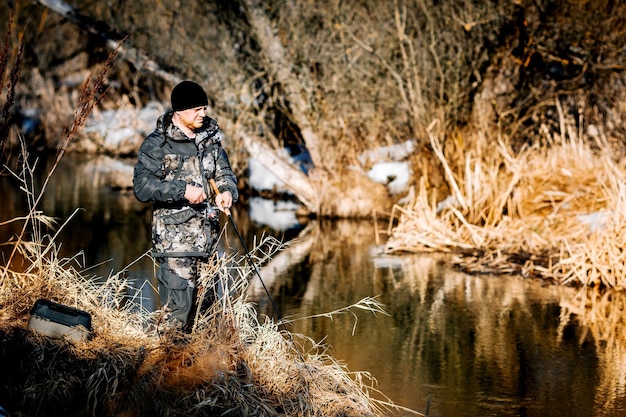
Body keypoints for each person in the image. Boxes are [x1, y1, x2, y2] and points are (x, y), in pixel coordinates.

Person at [133, 80, 238, 331]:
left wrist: (226, 192)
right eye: (196, 109)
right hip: (175, 247)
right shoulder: (157, 144)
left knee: (207, 319)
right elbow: (142, 187)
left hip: (208, 246)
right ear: (178, 111)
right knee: (176, 319)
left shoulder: (210, 140)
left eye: (204, 108)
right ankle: (165, 369)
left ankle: (197, 371)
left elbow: (225, 175)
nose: (203, 114)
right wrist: (182, 191)